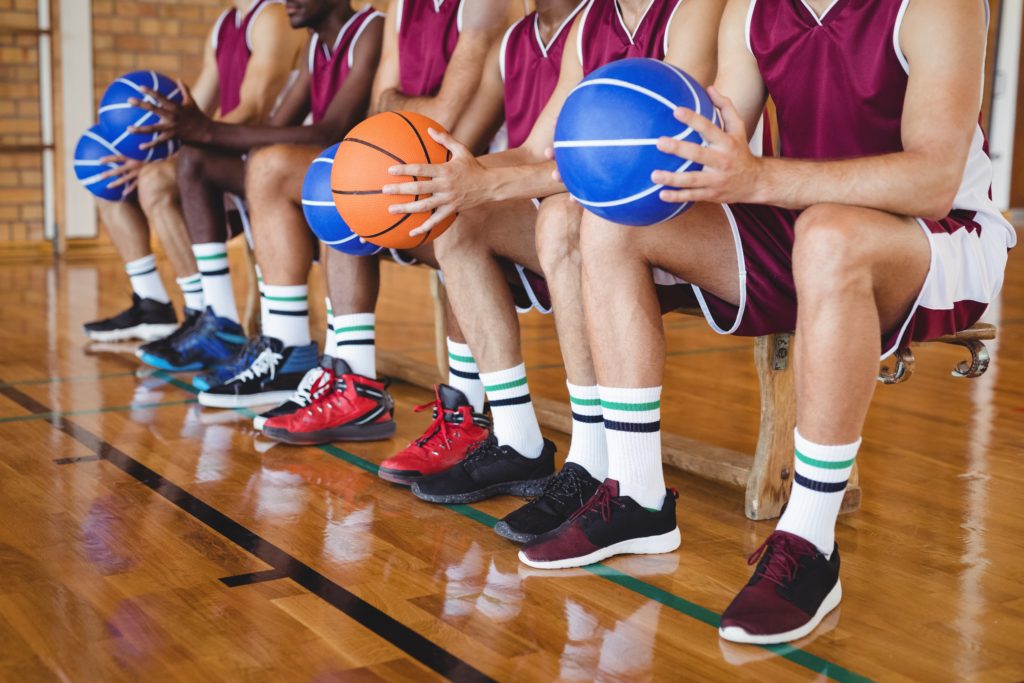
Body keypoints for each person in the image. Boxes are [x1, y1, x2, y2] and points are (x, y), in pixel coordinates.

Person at [528, 0, 1013, 645]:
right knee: (614, 219)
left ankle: (810, 539)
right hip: (803, 220)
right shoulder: (753, 11)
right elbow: (723, 127)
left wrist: (759, 177)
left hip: (939, 235)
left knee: (829, 235)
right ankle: (637, 495)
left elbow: (930, 179)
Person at [382, 0, 720, 541]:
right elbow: (538, 149)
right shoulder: (591, 23)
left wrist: (488, 183)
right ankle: (518, 441)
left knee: (564, 218)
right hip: (610, 230)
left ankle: (592, 458)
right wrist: (449, 180)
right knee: (460, 218)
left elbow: (651, 149)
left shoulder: (694, 10)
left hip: (695, 225)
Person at [250, 0, 521, 447]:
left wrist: (400, 106)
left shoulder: (484, 5)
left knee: (460, 215)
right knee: (336, 184)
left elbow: (445, 121)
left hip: (479, 175)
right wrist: (406, 109)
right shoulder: (400, 5)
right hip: (408, 169)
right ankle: (355, 385)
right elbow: (381, 103)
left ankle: (468, 407)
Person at [128, 0, 385, 410]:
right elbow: (275, 128)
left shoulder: (371, 30)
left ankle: (290, 345)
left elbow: (332, 130)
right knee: (197, 161)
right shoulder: (315, 48)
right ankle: (220, 320)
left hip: (365, 184)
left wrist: (209, 129)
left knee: (270, 165)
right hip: (319, 178)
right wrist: (196, 136)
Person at [102, 0, 307, 371]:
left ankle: (215, 319)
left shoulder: (273, 18)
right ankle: (200, 314)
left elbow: (253, 109)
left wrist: (174, 151)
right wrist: (150, 150)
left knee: (157, 184)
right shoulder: (225, 24)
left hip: (269, 156)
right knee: (116, 172)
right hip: (231, 152)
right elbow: (193, 107)